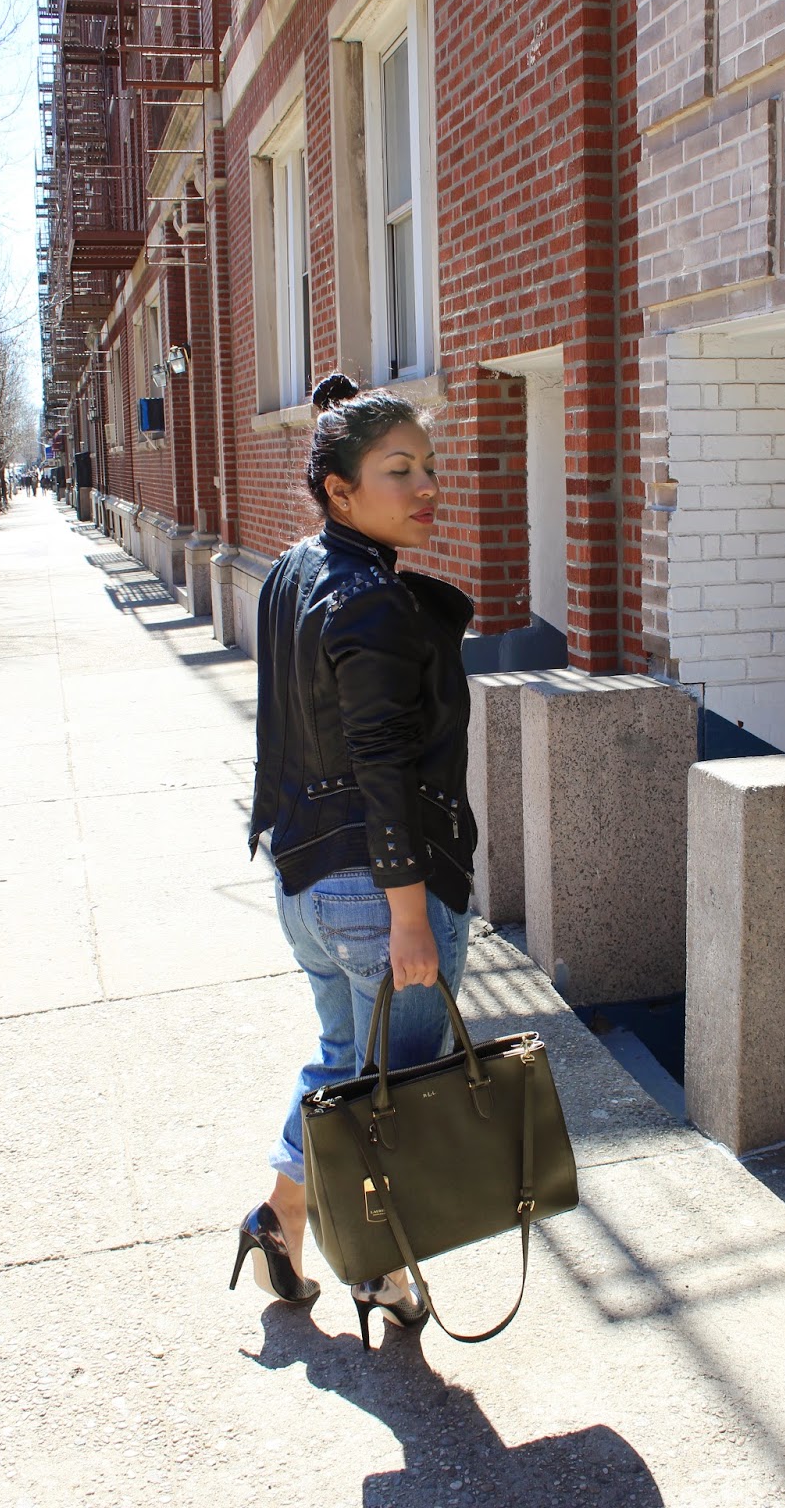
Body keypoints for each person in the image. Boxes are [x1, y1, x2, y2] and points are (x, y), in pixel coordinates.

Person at [232, 373, 477, 1349]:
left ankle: (280, 1221)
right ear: (340, 490)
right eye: (399, 470)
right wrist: (411, 914)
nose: (427, 486)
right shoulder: (369, 598)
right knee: (397, 1098)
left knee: (344, 1067)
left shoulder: (292, 571)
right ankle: (377, 1269)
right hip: (378, 896)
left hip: (305, 880)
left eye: (428, 465)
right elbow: (381, 764)